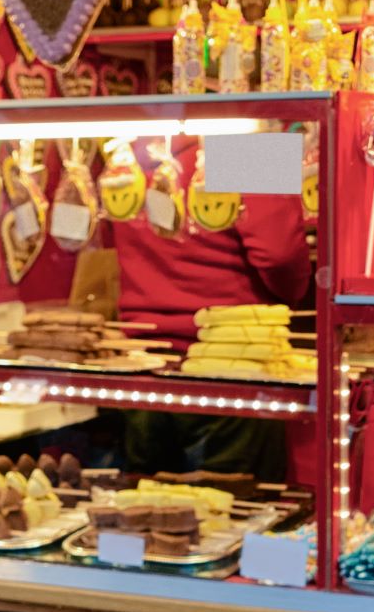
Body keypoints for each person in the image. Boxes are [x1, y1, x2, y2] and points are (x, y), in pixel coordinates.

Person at [104, 136, 313, 481]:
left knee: (147, 517)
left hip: (143, 361)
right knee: (236, 518)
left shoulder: (129, 150)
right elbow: (281, 257)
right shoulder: (248, 142)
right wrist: (286, 302)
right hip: (231, 366)